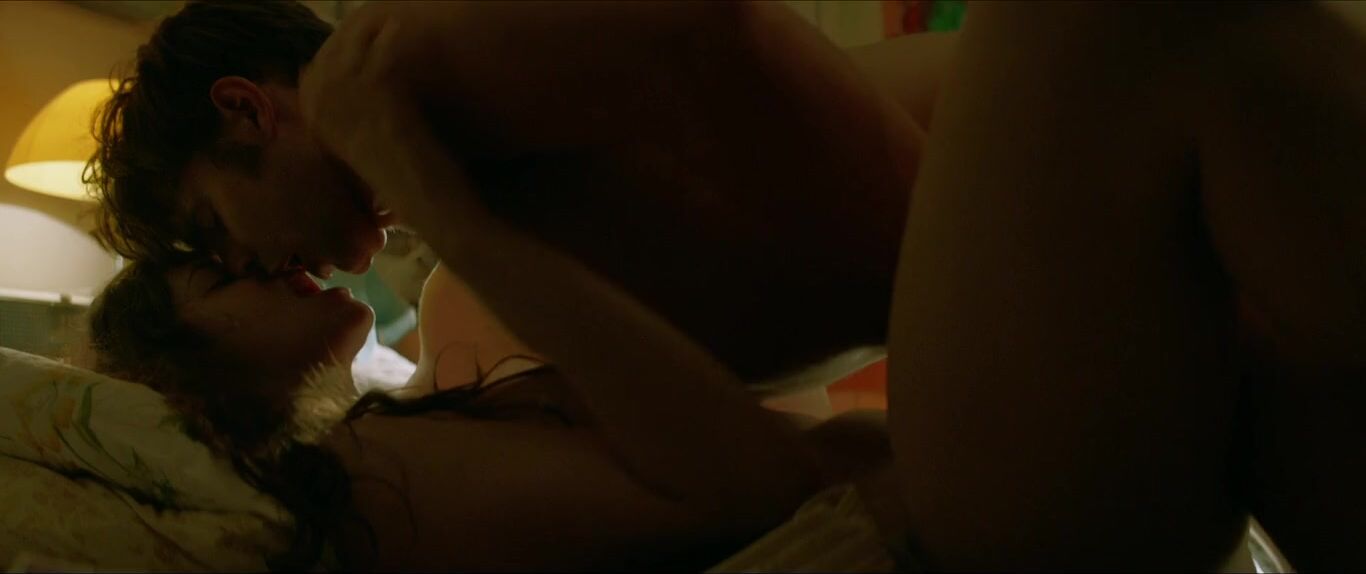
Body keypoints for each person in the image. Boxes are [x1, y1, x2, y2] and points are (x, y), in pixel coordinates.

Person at [88, 0, 1365, 570]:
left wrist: (963, 223)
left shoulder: (414, 60)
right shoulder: (472, 257)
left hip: (975, 373)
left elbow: (727, 34)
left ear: (246, 108)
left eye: (211, 227)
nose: (251, 263)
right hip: (959, 430)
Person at [87, 253, 891, 571]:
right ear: (180, 367)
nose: (268, 260)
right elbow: (752, 483)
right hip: (886, 512)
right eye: (224, 277)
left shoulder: (393, 429)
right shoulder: (359, 471)